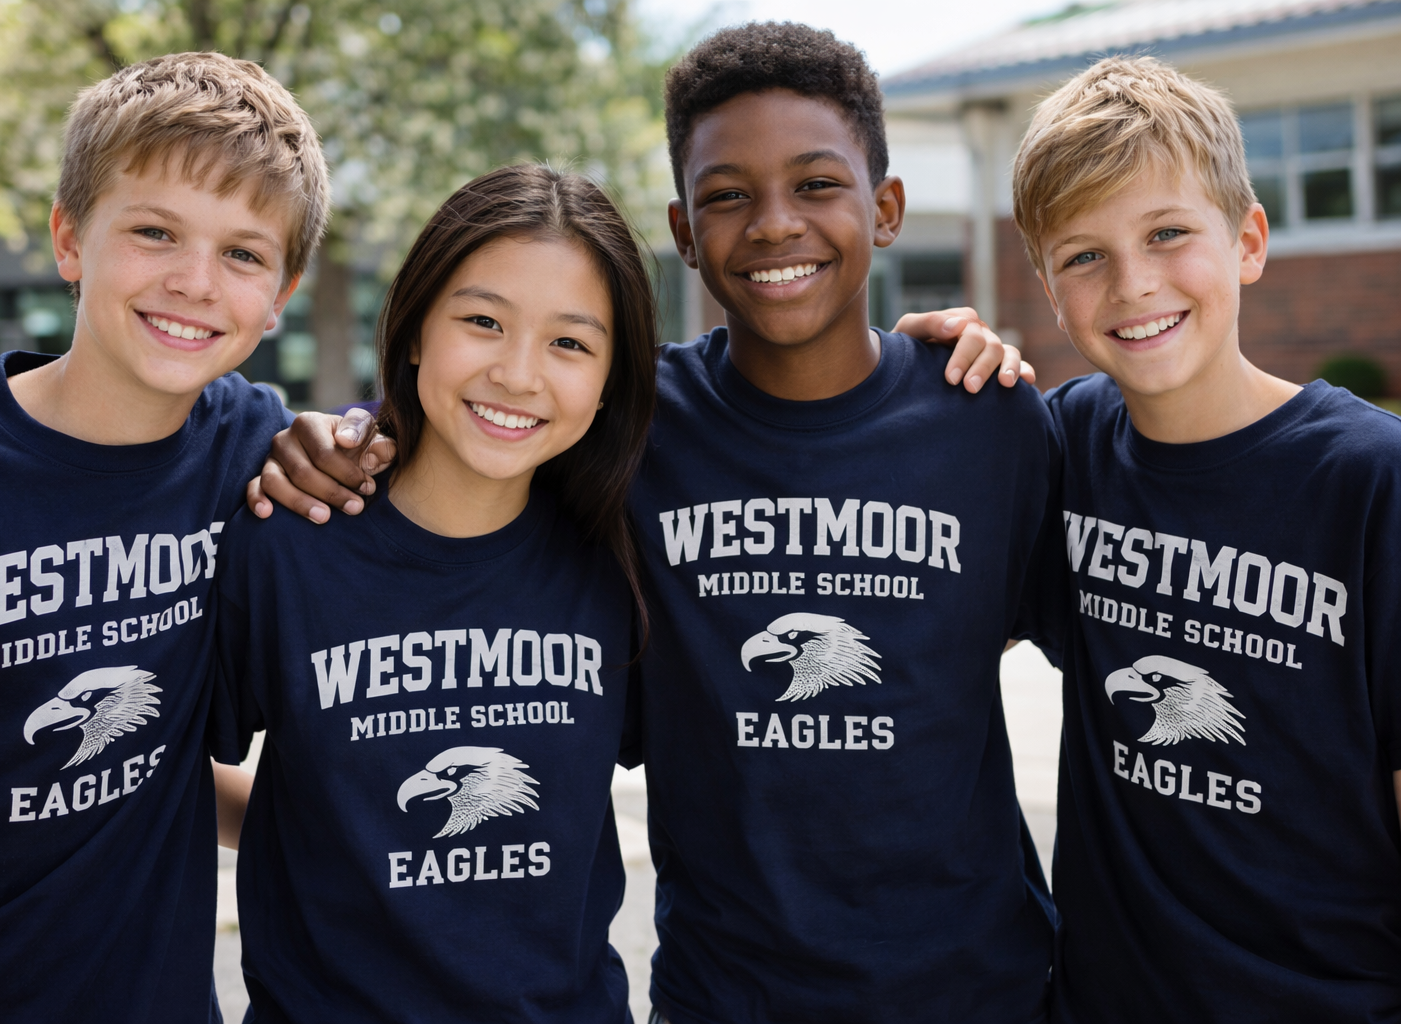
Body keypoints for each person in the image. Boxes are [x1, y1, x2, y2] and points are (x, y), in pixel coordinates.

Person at [253, 23, 1057, 1024]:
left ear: (885, 207)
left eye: (816, 185)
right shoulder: (635, 426)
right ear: (683, 232)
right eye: (727, 196)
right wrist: (344, 434)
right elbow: (495, 422)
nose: (773, 224)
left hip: (983, 989)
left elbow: (1009, 621)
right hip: (729, 994)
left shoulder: (992, 420)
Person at [0, 52, 327, 1022]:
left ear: (281, 293)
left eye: (244, 254)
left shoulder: (253, 448)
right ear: (70, 239)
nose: (196, 281)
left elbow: (162, 768)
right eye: (154, 231)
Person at [209, 164, 659, 1023]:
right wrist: (316, 825)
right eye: (483, 321)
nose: (519, 374)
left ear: (610, 381)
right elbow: (167, 764)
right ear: (414, 329)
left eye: (571, 342)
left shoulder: (623, 559)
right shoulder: (283, 539)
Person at [1005, 56, 1401, 1021]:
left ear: (1249, 240)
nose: (1133, 284)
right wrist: (918, 375)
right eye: (1083, 256)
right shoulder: (1065, 448)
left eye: (1168, 233)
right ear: (1051, 290)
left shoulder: (1370, 478)